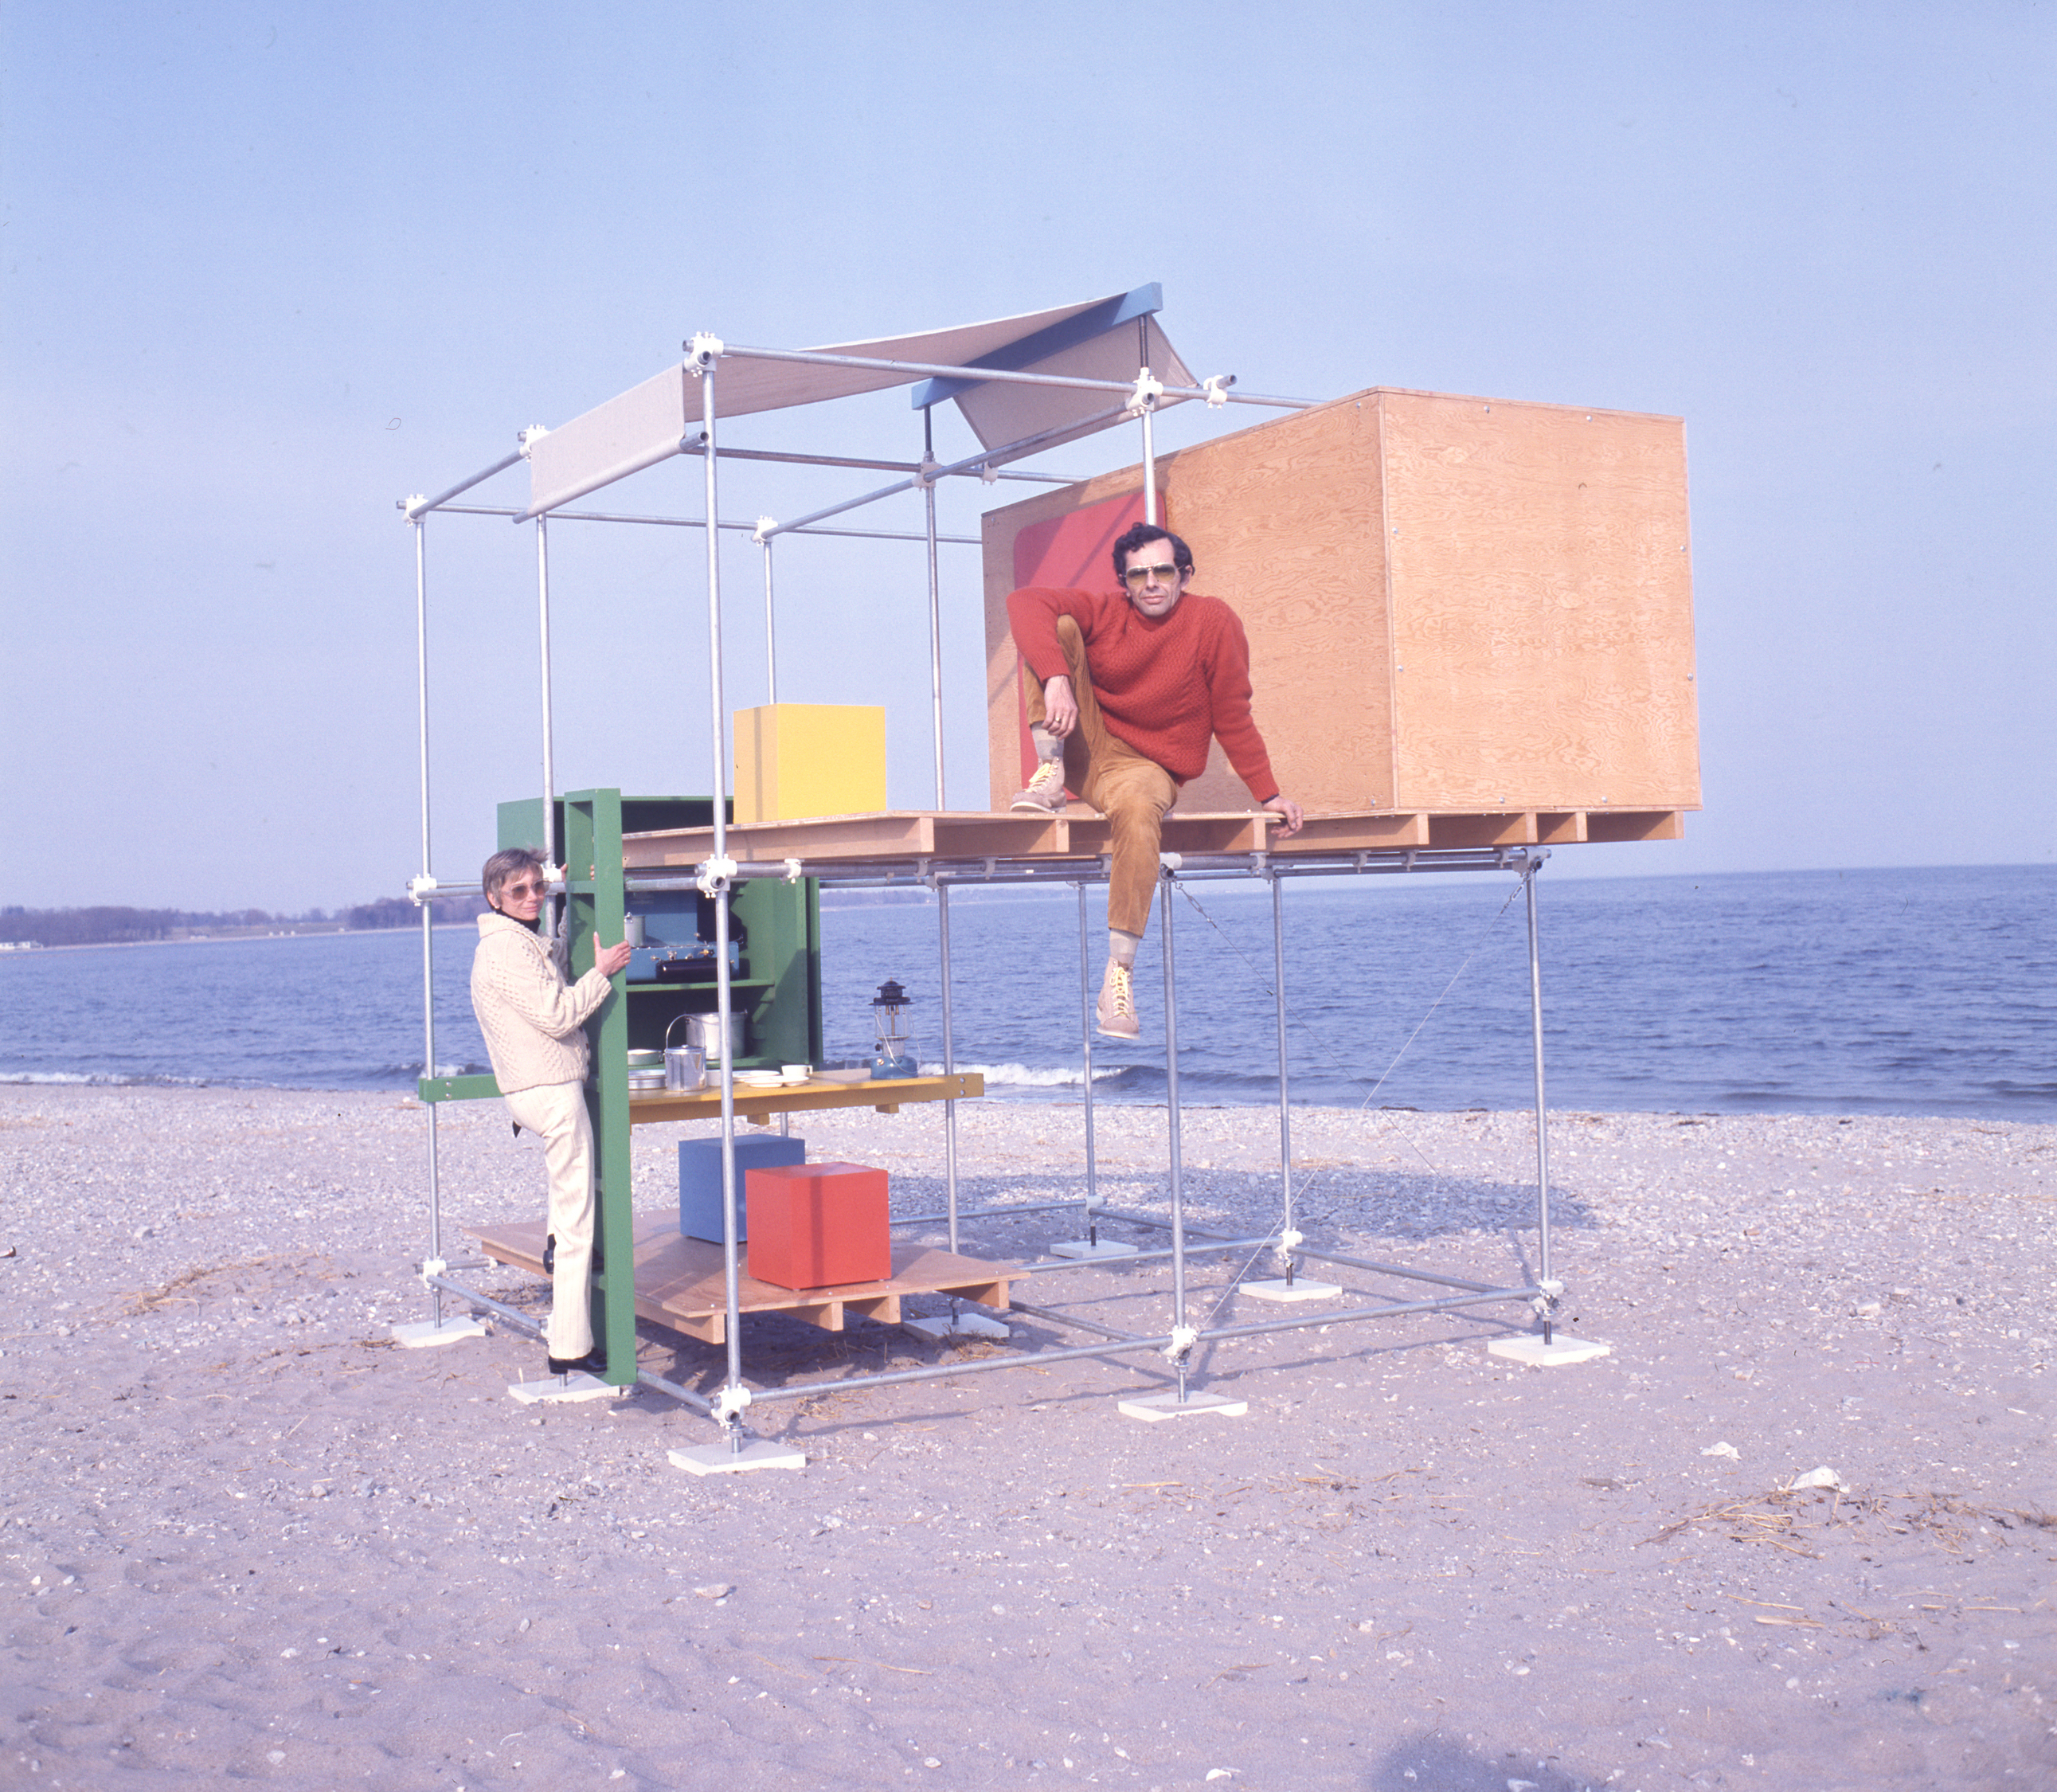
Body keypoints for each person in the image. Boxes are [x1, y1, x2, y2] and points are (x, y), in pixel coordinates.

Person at [1007, 521, 1304, 1039]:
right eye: (1137, 574)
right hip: (1084, 740)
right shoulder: (1107, 610)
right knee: (1054, 629)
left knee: (1142, 811)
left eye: (1161, 571)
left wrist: (1269, 793)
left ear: (1183, 574)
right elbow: (1024, 601)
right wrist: (1057, 678)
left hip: (1145, 768)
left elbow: (1232, 713)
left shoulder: (1213, 622)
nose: (1150, 583)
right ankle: (1049, 771)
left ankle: (1117, 978)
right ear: (1123, 581)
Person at [470, 847, 633, 1376]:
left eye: (537, 886)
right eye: (519, 891)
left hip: (533, 1091)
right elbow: (558, 1013)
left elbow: (551, 965)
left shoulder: (511, 941)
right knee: (578, 1220)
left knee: (568, 1209)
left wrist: (560, 897)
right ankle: (569, 1349)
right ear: (494, 898)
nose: (532, 897)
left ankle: (553, 1243)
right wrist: (604, 971)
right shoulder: (507, 950)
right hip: (552, 1092)